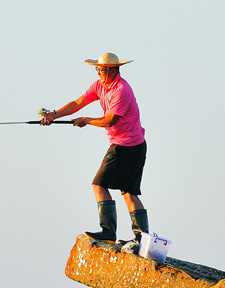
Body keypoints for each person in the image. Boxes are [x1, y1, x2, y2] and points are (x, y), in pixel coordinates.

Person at [40, 52, 149, 245]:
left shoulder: (121, 90)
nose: (97, 72)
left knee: (99, 184)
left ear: (112, 70)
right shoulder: (100, 85)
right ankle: (141, 239)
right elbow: (78, 103)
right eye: (97, 69)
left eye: (100, 69)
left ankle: (108, 232)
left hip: (127, 147)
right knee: (128, 192)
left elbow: (110, 119)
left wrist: (87, 121)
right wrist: (53, 115)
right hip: (132, 145)